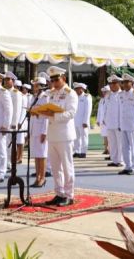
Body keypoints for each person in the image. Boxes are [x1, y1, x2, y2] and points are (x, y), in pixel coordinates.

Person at [43, 66, 78, 206]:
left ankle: (69, 195)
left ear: (63, 78)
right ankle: (59, 193)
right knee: (55, 168)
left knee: (67, 166)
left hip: (64, 135)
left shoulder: (71, 94)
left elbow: (71, 113)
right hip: (52, 134)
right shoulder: (51, 94)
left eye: (56, 79)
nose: (54, 82)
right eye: (52, 80)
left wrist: (54, 115)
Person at [118, 74, 134, 175]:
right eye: (123, 82)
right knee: (124, 147)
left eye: (126, 82)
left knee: (133, 147)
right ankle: (127, 166)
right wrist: (119, 123)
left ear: (132, 83)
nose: (124, 84)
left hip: (133, 124)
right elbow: (120, 110)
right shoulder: (121, 94)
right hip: (123, 124)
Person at [29, 77, 50, 187]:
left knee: (42, 155)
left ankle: (42, 177)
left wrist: (45, 132)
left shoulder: (46, 98)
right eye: (34, 85)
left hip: (41, 130)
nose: (34, 87)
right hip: (34, 129)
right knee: (36, 155)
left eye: (36, 85)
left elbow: (47, 116)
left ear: (41, 86)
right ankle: (37, 177)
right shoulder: (34, 98)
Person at [103, 75, 124, 167]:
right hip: (110, 122)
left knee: (120, 143)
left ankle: (121, 160)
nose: (112, 85)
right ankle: (114, 160)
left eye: (114, 83)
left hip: (119, 123)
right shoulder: (108, 95)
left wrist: (121, 123)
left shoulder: (122, 95)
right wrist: (104, 119)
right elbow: (106, 108)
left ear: (119, 83)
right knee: (112, 143)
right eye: (110, 83)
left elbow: (122, 111)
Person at [73, 83, 93, 158]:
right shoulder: (75, 97)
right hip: (75, 121)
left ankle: (83, 152)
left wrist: (85, 121)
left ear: (82, 89)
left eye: (78, 88)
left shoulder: (87, 97)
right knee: (76, 137)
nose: (76, 90)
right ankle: (77, 151)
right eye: (76, 89)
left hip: (83, 121)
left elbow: (88, 110)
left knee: (84, 137)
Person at [95, 85, 109, 158]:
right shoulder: (102, 100)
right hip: (102, 120)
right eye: (103, 91)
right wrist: (98, 120)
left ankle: (109, 149)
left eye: (105, 91)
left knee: (109, 136)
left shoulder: (109, 99)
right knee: (104, 135)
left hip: (108, 121)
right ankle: (106, 148)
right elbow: (99, 111)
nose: (104, 93)